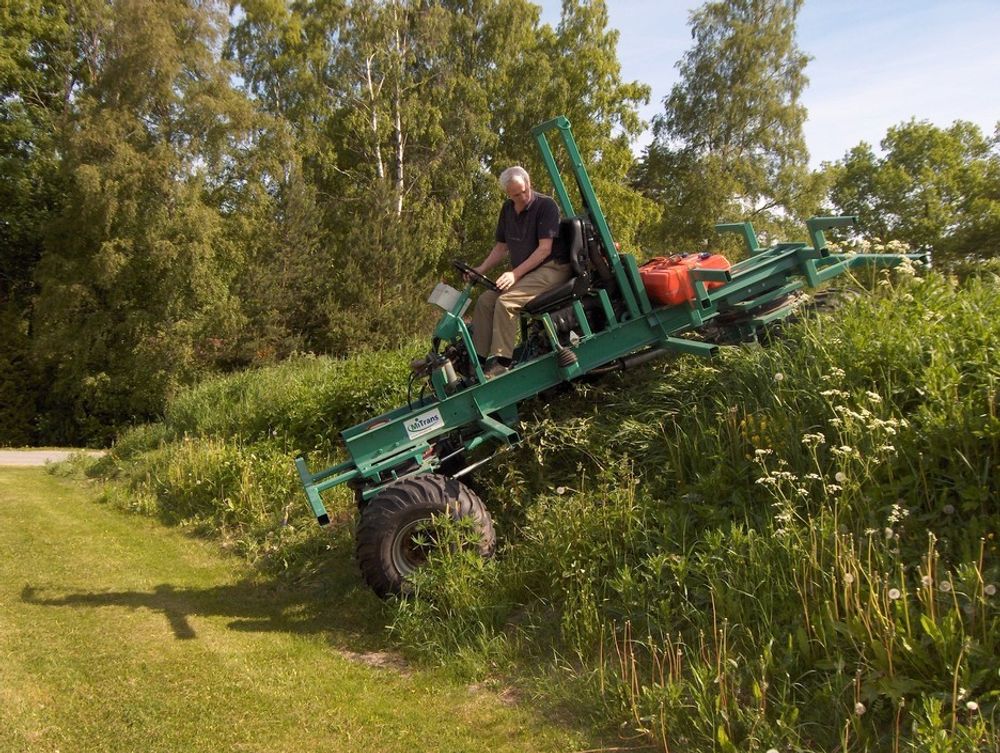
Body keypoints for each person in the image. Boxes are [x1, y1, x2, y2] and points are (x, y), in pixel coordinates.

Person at [469, 166, 572, 378]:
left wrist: (514, 274)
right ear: (508, 194)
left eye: (524, 191)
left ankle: (502, 363)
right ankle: (477, 362)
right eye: (516, 194)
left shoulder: (546, 206)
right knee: (486, 300)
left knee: (506, 302)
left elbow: (544, 249)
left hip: (552, 268)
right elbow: (500, 247)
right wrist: (480, 269)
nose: (522, 197)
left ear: (529, 183)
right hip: (528, 272)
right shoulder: (507, 210)